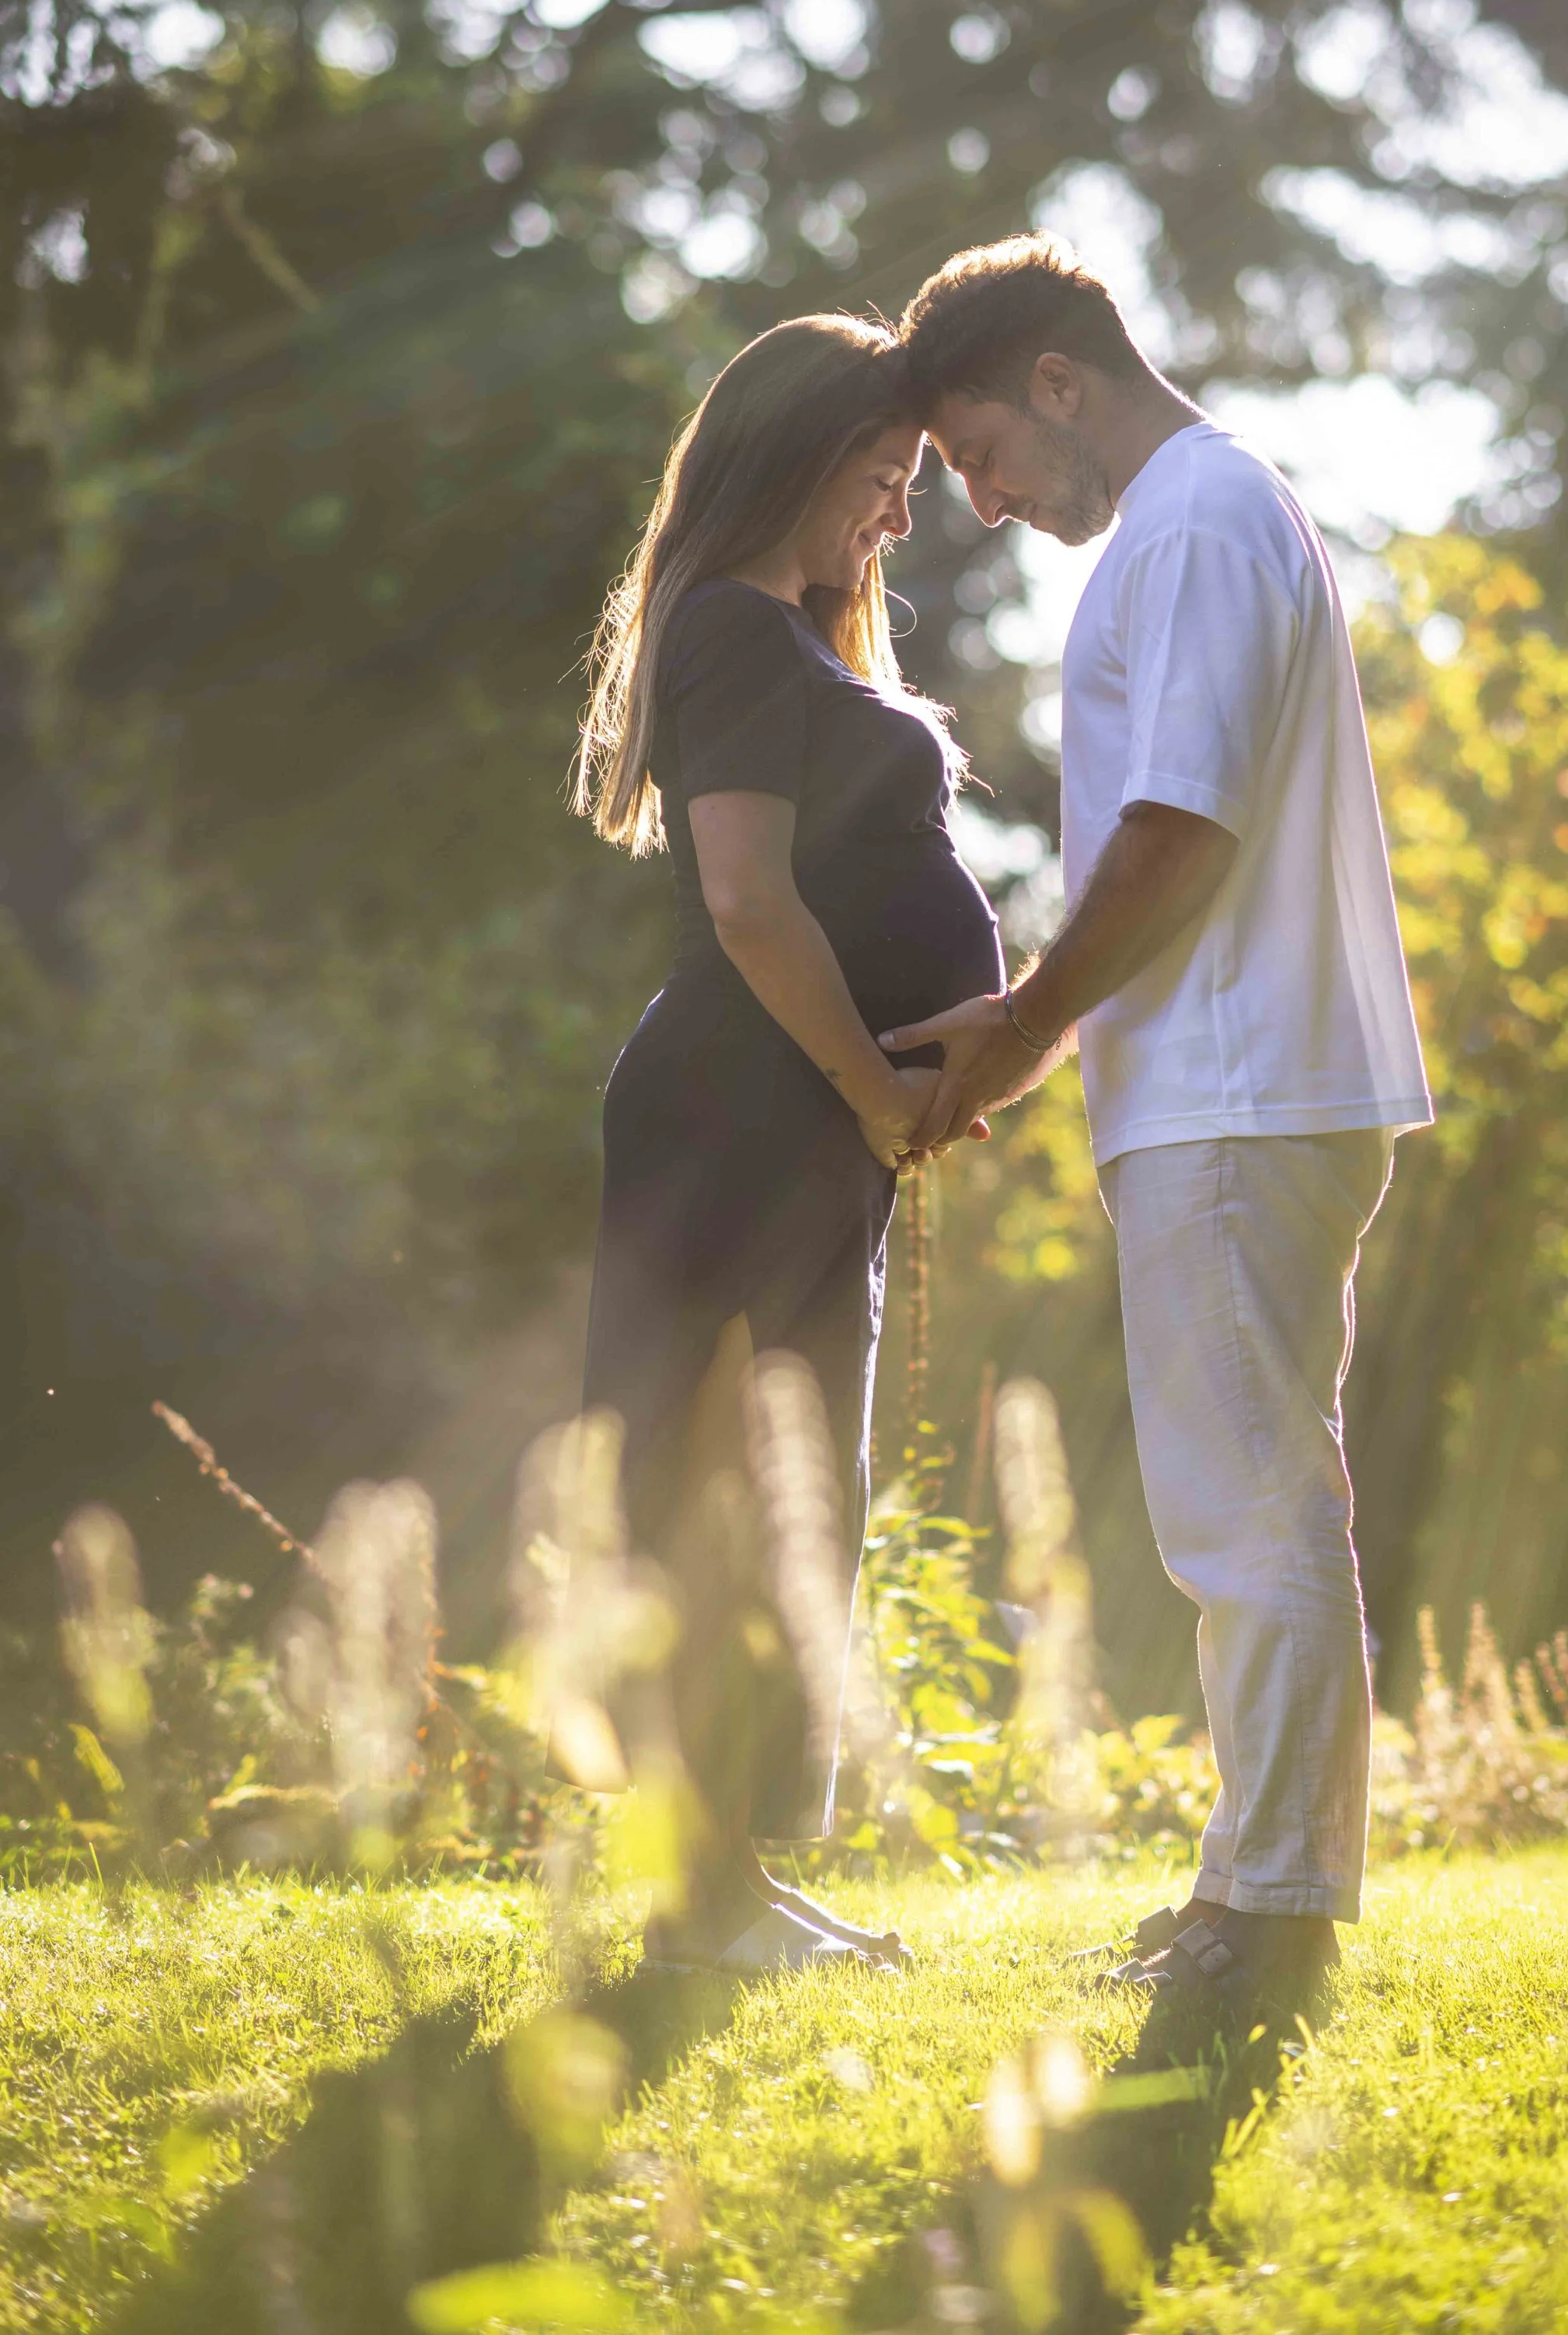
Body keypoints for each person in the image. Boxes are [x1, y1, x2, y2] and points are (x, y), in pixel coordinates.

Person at [884, 236, 1434, 2029]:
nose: (979, 502)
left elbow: (1176, 829)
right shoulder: (1213, 515)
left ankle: (1269, 1912)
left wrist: (1022, 1033)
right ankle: (1262, 1887)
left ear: (1056, 381)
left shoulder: (1189, 523)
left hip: (1231, 1089)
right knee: (1260, 1496)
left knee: (1246, 1508)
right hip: (1245, 1085)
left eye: (978, 455)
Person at [571, 314, 1003, 1972]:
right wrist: (879, 1092)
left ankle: (739, 1877)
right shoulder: (740, 642)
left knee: (797, 1482)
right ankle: (699, 1899)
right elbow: (749, 903)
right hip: (748, 1112)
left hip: (809, 1124)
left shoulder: (790, 640)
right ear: (797, 456)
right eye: (884, 479)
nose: (899, 519)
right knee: (723, 1490)